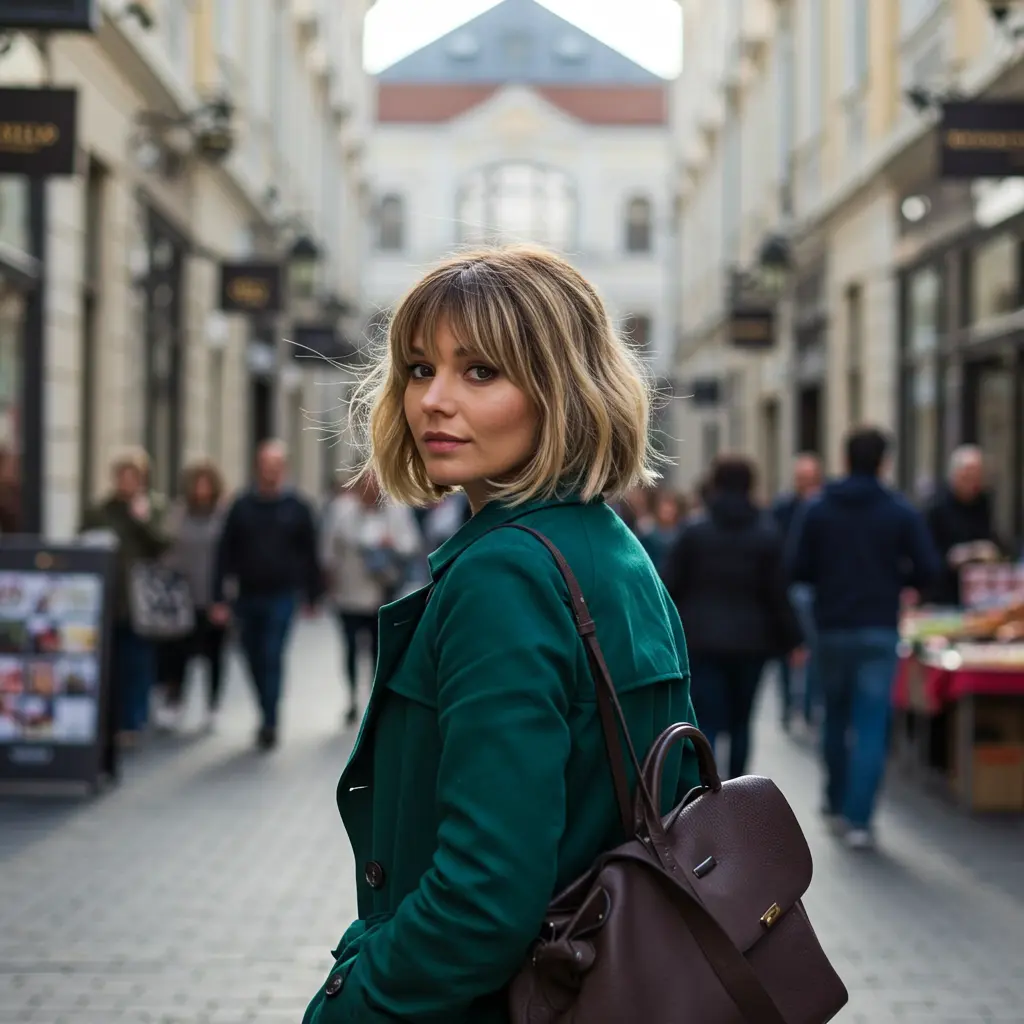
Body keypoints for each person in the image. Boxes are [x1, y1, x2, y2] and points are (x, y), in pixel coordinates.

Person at [302, 245, 701, 1024]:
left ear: (560, 390)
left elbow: (483, 901)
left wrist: (346, 1004)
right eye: (421, 369)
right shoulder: (607, 546)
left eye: (480, 372)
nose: (433, 402)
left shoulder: (506, 574)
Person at [787, 427, 941, 850]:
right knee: (872, 724)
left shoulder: (818, 508)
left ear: (844, 457)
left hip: (832, 626)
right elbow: (929, 568)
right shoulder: (898, 510)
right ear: (883, 462)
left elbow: (797, 567)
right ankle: (859, 818)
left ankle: (834, 803)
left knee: (833, 716)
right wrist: (896, 580)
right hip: (878, 626)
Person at [663, 455, 803, 779]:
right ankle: (738, 789)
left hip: (702, 640)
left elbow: (668, 585)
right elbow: (778, 594)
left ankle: (705, 790)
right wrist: (794, 639)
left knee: (707, 719)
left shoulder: (694, 532)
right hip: (752, 644)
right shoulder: (766, 535)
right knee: (742, 722)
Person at [211, 440, 323, 751]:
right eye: (265, 465)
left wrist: (313, 596)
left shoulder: (297, 507)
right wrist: (218, 596)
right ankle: (265, 707)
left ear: (283, 469)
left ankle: (270, 720)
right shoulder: (242, 506)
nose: (270, 472)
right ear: (258, 468)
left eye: (276, 466)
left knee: (272, 654)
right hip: (247, 595)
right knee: (251, 655)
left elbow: (310, 553)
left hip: (282, 595)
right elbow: (224, 552)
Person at [80, 449, 170, 743]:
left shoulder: (153, 507)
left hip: (142, 601)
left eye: (134, 477)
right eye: (123, 477)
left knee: (139, 662)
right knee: (113, 662)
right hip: (111, 598)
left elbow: (164, 545)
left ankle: (134, 720)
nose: (127, 483)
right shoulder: (101, 511)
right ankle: (116, 720)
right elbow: (84, 541)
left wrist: (142, 520)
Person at [321, 472, 421, 725]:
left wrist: (392, 544)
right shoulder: (341, 510)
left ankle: (376, 698)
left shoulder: (396, 510)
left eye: (374, 484)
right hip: (348, 592)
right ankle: (352, 697)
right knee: (351, 647)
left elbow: (411, 544)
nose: (369, 490)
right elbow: (327, 550)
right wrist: (327, 583)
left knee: (379, 650)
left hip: (382, 594)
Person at [158, 459, 228, 733]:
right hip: (181, 598)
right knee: (178, 653)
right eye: (196, 483)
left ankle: (213, 706)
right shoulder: (177, 514)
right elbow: (165, 549)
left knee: (214, 653)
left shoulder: (223, 515)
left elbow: (231, 555)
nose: (201, 489)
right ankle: (176, 702)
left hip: (213, 596)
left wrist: (225, 597)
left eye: (206, 483)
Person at [770, 452, 823, 729]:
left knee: (814, 650)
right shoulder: (783, 508)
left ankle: (810, 706)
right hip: (788, 587)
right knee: (788, 650)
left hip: (813, 587)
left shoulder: (823, 507)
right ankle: (790, 704)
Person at [924, 445, 1004, 606]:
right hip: (944, 594)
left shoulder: (983, 504)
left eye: (977, 477)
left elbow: (995, 539)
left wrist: (990, 551)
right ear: (955, 475)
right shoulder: (936, 507)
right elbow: (926, 555)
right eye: (967, 476)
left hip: (980, 593)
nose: (972, 483)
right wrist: (951, 558)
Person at [636, 490, 685, 575]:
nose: (667, 509)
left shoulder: (682, 536)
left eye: (670, 505)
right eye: (663, 505)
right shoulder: (647, 535)